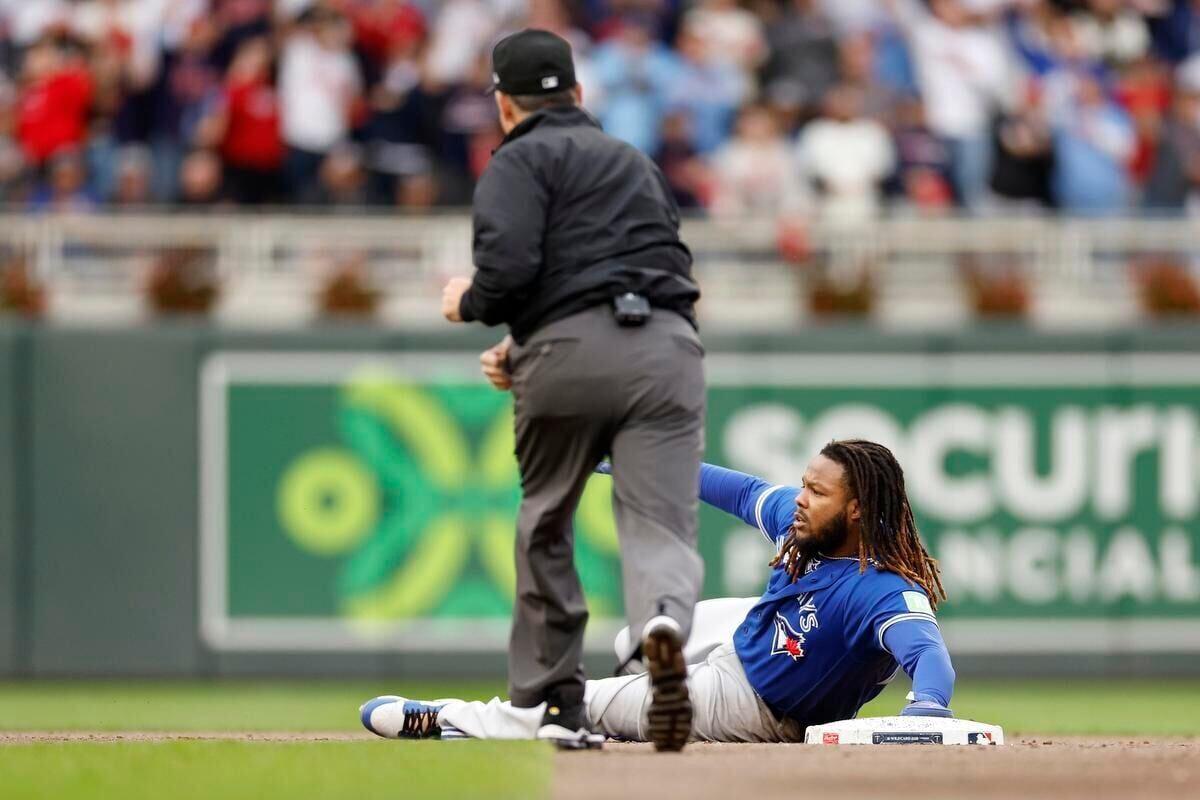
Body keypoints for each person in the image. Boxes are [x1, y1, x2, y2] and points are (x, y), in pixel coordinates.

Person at [438, 29, 706, 753]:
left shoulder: (515, 161)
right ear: (580, 94)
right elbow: (663, 263)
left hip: (565, 356)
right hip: (668, 347)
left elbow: (510, 276)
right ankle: (662, 623)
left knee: (548, 518)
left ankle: (555, 699)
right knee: (659, 525)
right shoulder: (631, 161)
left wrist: (469, 304)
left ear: (503, 104)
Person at [360, 439, 956, 744]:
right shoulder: (801, 526)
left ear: (855, 509)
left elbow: (928, 655)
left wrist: (927, 706)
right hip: (752, 639)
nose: (799, 498)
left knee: (583, 704)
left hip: (760, 707)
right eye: (803, 485)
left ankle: (452, 722)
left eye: (817, 492)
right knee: (641, 634)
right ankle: (638, 681)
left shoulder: (879, 592)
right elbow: (738, 489)